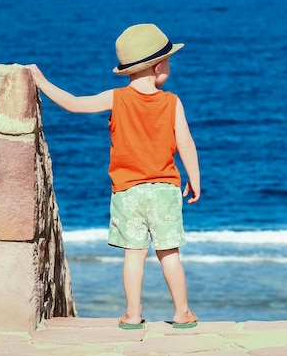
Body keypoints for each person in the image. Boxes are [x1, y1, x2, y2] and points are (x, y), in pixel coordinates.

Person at [29, 23, 200, 330]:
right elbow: (186, 143)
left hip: (128, 191)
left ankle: (133, 315)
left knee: (134, 256)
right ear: (159, 67)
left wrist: (41, 81)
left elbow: (75, 104)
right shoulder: (172, 102)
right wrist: (195, 178)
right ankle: (182, 312)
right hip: (164, 189)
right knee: (169, 253)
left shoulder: (116, 98)